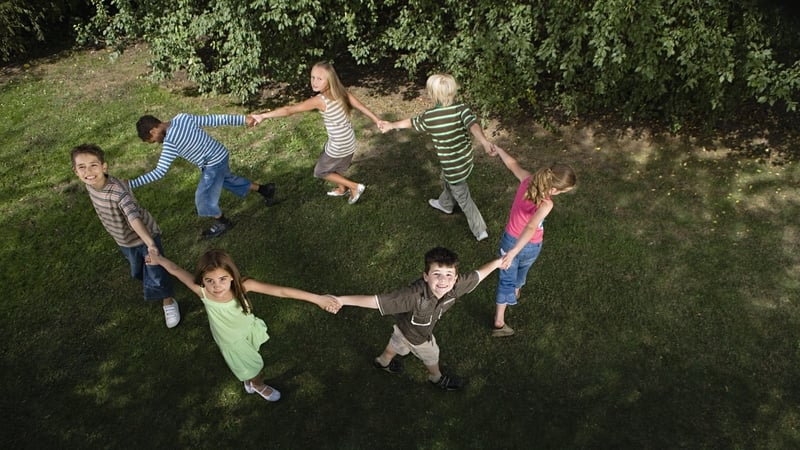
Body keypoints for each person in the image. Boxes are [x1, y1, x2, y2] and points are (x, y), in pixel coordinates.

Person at [147, 248, 341, 402]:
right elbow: (176, 270)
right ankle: (256, 385)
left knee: (253, 354)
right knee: (254, 366)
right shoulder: (202, 292)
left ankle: (251, 379)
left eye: (223, 279)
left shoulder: (243, 286)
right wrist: (159, 260)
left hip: (248, 328)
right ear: (202, 280)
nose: (217, 286)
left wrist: (317, 299)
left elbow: (281, 291)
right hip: (231, 342)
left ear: (232, 276)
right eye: (209, 281)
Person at [331, 247, 502, 391]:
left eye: (449, 274)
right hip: (418, 336)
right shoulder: (413, 296)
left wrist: (498, 263)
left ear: (456, 278)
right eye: (437, 274)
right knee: (432, 353)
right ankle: (436, 378)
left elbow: (478, 275)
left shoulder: (456, 286)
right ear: (426, 276)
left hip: (403, 327)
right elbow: (376, 302)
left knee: (398, 341)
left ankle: (382, 362)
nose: (444, 280)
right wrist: (341, 300)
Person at [70, 143, 181, 329]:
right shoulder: (91, 184)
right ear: (76, 171)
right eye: (82, 167)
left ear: (104, 166)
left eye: (93, 165)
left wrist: (150, 243)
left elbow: (133, 218)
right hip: (124, 240)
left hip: (144, 237)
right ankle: (158, 279)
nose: (88, 171)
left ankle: (168, 301)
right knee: (137, 271)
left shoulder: (119, 194)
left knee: (155, 272)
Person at [379, 73, 500, 241]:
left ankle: (480, 230)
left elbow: (412, 122)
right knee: (445, 178)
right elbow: (473, 124)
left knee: (463, 197)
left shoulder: (430, 117)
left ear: (433, 94)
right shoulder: (461, 109)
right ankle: (445, 204)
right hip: (463, 159)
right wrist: (485, 143)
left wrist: (391, 125)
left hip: (453, 165)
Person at [252, 62, 382, 205]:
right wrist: (377, 120)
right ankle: (342, 187)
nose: (314, 82)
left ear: (330, 80)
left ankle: (354, 187)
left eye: (319, 79)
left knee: (321, 171)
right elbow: (361, 107)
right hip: (349, 140)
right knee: (333, 165)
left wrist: (263, 115)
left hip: (338, 144)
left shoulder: (320, 100)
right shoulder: (342, 92)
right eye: (312, 77)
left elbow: (289, 110)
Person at [131, 113, 277, 240]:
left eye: (153, 140)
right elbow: (215, 119)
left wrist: (131, 184)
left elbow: (159, 172)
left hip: (213, 164)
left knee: (202, 197)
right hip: (221, 154)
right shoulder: (183, 118)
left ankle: (223, 223)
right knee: (227, 180)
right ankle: (265, 190)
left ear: (153, 130)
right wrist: (242, 119)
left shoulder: (170, 143)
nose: (157, 142)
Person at [491, 147, 576, 337]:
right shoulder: (547, 203)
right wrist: (514, 253)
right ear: (554, 189)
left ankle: (499, 320)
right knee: (522, 271)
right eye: (563, 191)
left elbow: (512, 164)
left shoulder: (527, 180)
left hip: (509, 240)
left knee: (506, 276)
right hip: (530, 246)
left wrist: (499, 150)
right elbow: (530, 228)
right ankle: (517, 289)